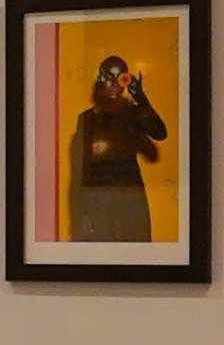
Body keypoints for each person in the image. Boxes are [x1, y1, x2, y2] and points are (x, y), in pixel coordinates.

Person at [64, 55, 168, 242]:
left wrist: (140, 96)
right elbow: (78, 173)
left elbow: (160, 133)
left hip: (131, 202)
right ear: (101, 80)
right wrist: (79, 219)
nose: (115, 85)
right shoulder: (87, 120)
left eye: (120, 78)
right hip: (100, 206)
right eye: (109, 78)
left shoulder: (132, 113)